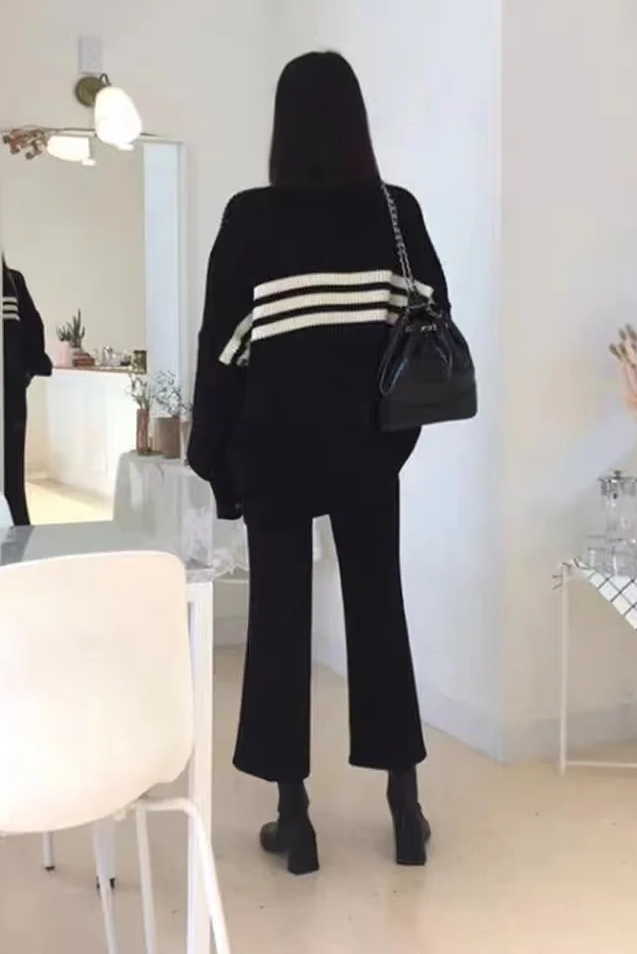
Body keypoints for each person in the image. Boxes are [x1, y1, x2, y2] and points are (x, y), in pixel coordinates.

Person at [187, 51, 450, 875]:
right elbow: (429, 327)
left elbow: (224, 352)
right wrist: (390, 441)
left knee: (277, 624)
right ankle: (404, 809)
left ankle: (294, 819)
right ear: (355, 122)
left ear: (283, 125)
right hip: (369, 449)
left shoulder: (250, 219)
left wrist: (211, 459)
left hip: (274, 451)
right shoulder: (394, 211)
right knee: (380, 611)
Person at [2, 258, 52, 526]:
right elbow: (34, 335)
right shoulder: (10, 280)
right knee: (10, 470)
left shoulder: (10, 281)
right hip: (10, 393)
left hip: (5, 392)